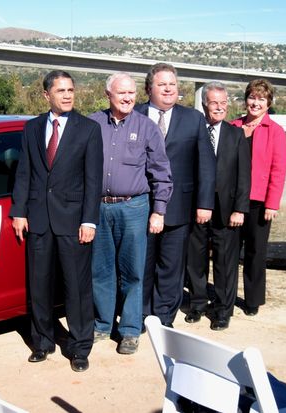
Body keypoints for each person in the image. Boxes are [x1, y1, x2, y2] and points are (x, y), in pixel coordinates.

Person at [10, 70, 103, 372]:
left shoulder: (88, 129)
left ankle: (79, 347)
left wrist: (89, 220)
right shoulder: (32, 128)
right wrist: (19, 211)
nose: (67, 95)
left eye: (70, 90)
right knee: (39, 286)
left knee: (76, 287)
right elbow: (24, 172)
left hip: (74, 220)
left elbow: (93, 180)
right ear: (46, 95)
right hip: (38, 219)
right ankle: (42, 342)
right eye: (60, 90)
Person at [90, 72, 173, 354]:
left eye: (131, 93)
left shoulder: (147, 127)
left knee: (133, 272)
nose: (127, 98)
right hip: (99, 207)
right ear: (108, 95)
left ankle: (129, 330)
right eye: (121, 93)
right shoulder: (92, 124)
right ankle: (102, 323)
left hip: (134, 207)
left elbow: (161, 172)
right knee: (101, 271)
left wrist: (158, 211)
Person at [135, 63, 216, 328]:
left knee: (171, 267)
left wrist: (205, 204)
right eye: (162, 84)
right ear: (149, 88)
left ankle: (164, 317)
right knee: (142, 265)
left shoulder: (193, 119)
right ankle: (143, 314)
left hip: (180, 205)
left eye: (172, 84)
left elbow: (206, 164)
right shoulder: (134, 114)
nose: (168, 89)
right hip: (141, 204)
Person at [185, 81, 251, 330]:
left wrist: (239, 209)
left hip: (227, 210)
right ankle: (198, 304)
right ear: (204, 105)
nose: (220, 107)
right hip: (196, 207)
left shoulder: (236, 134)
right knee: (195, 260)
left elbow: (244, 175)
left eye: (224, 103)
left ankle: (223, 310)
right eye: (215, 103)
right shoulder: (193, 130)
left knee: (225, 261)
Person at [231, 78, 286, 316]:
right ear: (246, 100)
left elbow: (278, 169)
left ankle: (252, 301)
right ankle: (226, 298)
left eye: (261, 99)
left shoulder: (275, 131)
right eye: (252, 97)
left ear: (268, 103)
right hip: (232, 202)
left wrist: (272, 203)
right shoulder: (232, 126)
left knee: (255, 253)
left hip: (259, 203)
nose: (255, 103)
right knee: (229, 253)